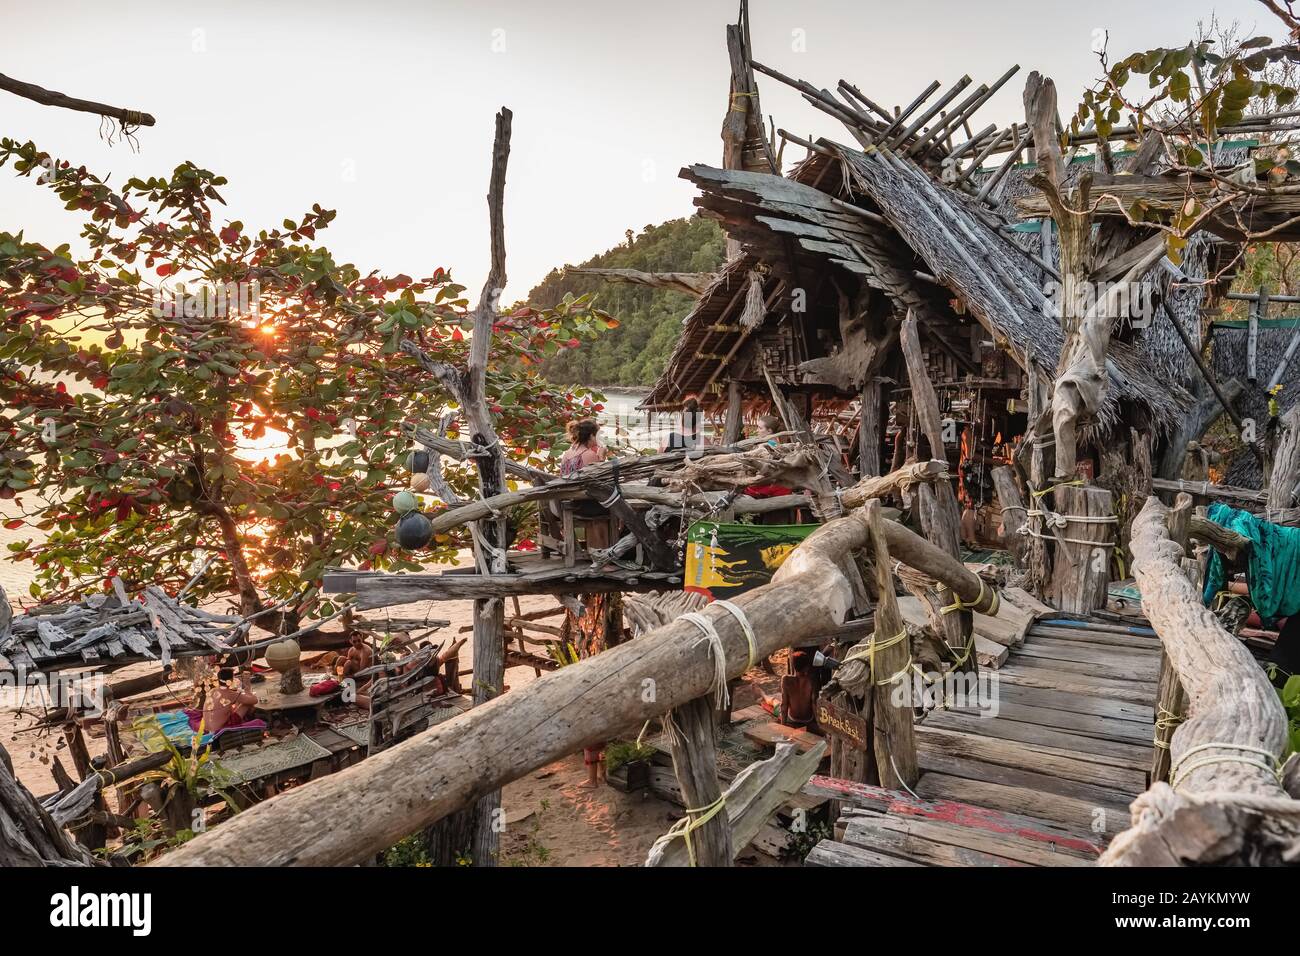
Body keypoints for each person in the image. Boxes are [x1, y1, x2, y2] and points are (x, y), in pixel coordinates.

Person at [202, 669, 258, 733]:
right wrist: (247, 687)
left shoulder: (212, 690)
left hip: (206, 728)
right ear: (230, 681)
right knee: (246, 704)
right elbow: (254, 700)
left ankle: (247, 718)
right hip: (219, 730)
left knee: (237, 702)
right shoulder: (230, 694)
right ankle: (250, 718)